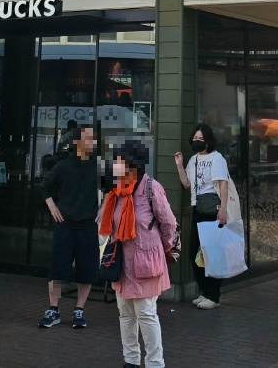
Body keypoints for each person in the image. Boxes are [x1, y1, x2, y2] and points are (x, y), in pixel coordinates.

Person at [102, 140, 176, 368]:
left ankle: (155, 363)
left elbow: (169, 223)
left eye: (119, 161)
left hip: (146, 261)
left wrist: (165, 249)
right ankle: (131, 360)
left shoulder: (152, 188)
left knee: (146, 313)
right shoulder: (117, 190)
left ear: (132, 163)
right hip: (121, 262)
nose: (115, 165)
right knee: (125, 313)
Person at [37, 123, 100, 328]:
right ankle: (53, 310)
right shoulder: (63, 165)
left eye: (93, 139)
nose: (92, 142)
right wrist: (52, 207)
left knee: (87, 270)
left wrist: (103, 209)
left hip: (88, 224)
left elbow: (111, 189)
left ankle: (79, 310)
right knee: (58, 269)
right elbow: (44, 186)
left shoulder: (98, 166)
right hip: (65, 224)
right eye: (89, 139)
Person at [173, 122, 229, 309]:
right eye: (195, 138)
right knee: (194, 254)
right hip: (198, 210)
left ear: (208, 141)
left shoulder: (217, 158)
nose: (197, 141)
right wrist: (180, 166)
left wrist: (223, 209)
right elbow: (187, 184)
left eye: (201, 139)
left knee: (212, 254)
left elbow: (222, 183)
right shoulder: (193, 160)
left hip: (213, 211)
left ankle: (213, 296)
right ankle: (205, 291)